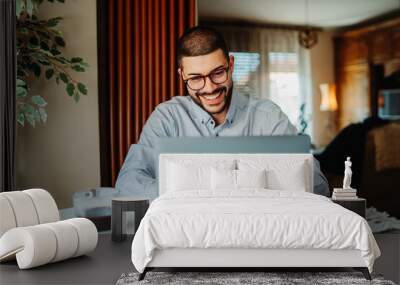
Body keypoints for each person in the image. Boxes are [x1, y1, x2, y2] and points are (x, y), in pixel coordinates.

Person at [116, 26, 329, 200]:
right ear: (182, 75)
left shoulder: (269, 116)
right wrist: (191, 195)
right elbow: (128, 182)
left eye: (218, 73)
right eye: (196, 78)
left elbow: (317, 184)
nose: (209, 88)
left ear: (231, 65)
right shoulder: (167, 117)